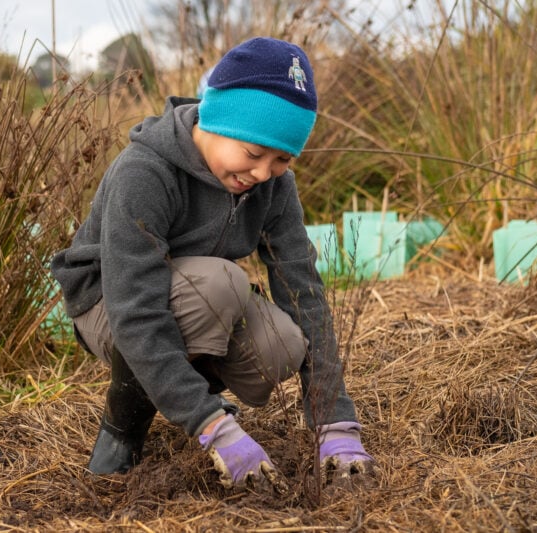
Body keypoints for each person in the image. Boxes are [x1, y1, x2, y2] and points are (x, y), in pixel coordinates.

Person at [51, 37, 374, 490]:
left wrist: (334, 420)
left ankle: (178, 390)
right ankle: (122, 430)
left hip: (195, 296)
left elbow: (303, 291)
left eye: (282, 159)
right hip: (109, 304)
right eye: (253, 153)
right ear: (215, 118)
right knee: (221, 284)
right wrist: (213, 426)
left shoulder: (274, 187)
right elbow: (136, 309)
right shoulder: (144, 173)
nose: (263, 173)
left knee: (282, 345)